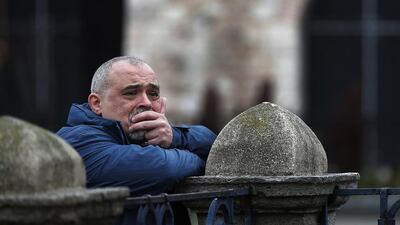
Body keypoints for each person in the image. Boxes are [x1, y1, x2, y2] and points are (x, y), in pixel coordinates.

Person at [56, 56, 216, 224]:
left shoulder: (156, 135)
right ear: (96, 103)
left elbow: (215, 144)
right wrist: (199, 160)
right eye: (131, 93)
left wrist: (175, 137)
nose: (146, 103)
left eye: (153, 94)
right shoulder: (76, 140)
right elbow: (163, 168)